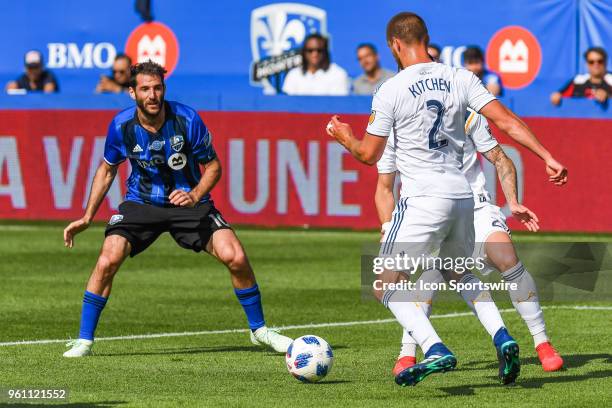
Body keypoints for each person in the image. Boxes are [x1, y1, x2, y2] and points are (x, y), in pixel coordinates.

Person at [327, 12, 567, 386]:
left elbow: (367, 155)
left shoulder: (390, 89)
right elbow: (505, 120)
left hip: (424, 198)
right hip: (462, 198)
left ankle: (433, 346)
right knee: (458, 271)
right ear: (426, 38)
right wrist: (547, 155)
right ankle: (503, 336)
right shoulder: (460, 78)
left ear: (394, 44)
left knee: (384, 284)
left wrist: (344, 135)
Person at [62, 60, 292, 358]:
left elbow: (213, 167)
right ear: (132, 92)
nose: (152, 95)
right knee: (108, 259)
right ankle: (84, 341)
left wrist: (195, 195)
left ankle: (259, 330)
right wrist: (86, 216)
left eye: (157, 88)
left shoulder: (187, 119)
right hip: (141, 203)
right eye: (145, 89)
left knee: (235, 256)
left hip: (189, 203)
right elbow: (107, 170)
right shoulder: (121, 126)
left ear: (164, 90)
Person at [376, 110, 564, 378]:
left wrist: (512, 201)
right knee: (432, 277)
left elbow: (500, 158)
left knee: (504, 257)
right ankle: (409, 353)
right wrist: (386, 226)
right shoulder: (395, 125)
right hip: (428, 209)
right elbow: (384, 186)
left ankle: (542, 343)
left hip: (474, 205)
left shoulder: (463, 112)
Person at [282, 33, 350, 95]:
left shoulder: (338, 74)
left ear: (325, 52)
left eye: (319, 50)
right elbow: (288, 104)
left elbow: (339, 105)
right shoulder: (294, 75)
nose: (315, 54)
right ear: (304, 52)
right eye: (310, 50)